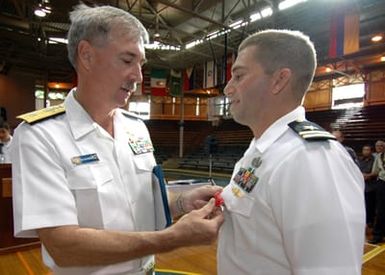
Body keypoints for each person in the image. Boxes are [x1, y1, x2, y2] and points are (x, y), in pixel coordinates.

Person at [11, 4, 223, 275]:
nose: (138, 76)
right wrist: (173, 238)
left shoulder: (136, 128)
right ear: (86, 55)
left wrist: (181, 202)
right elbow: (63, 246)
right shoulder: (40, 136)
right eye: (127, 60)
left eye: (140, 64)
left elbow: (138, 199)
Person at [218, 29, 365, 275]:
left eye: (239, 76)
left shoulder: (311, 159)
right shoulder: (262, 150)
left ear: (279, 80)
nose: (227, 89)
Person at [369, 141, 385, 244]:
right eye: (377, 146)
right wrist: (365, 175)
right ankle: (377, 235)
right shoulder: (378, 157)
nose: (379, 147)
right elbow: (375, 171)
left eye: (381, 145)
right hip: (382, 183)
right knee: (380, 210)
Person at [358, 144, 376, 228]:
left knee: (370, 205)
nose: (366, 151)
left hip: (371, 185)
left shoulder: (374, 160)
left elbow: (376, 172)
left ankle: (370, 221)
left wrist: (368, 175)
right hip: (360, 184)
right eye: (364, 150)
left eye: (367, 150)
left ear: (371, 151)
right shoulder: (360, 160)